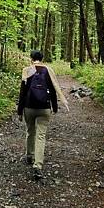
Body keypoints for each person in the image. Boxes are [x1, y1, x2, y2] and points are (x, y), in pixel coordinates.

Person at [17, 50, 69, 180]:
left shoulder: (27, 70)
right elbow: (53, 90)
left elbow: (22, 92)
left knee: (30, 131)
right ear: (42, 58)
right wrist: (55, 107)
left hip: (29, 107)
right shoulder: (48, 70)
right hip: (44, 108)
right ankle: (38, 165)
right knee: (41, 136)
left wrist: (19, 110)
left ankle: (29, 156)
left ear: (31, 58)